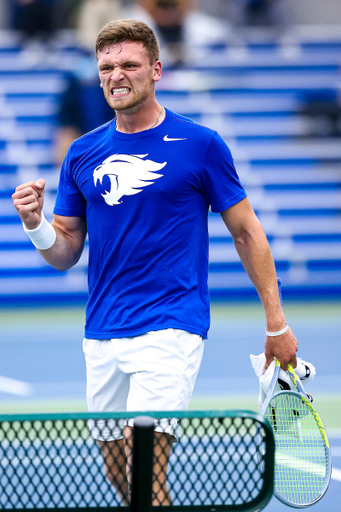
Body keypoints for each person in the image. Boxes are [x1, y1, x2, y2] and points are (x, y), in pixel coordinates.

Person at [12, 18, 298, 506]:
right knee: (119, 472)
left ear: (156, 70)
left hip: (171, 325)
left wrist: (276, 322)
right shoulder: (83, 152)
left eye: (128, 64)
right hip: (101, 330)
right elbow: (64, 253)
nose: (115, 75)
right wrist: (35, 223)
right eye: (106, 67)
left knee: (145, 468)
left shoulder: (201, 144)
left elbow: (247, 231)